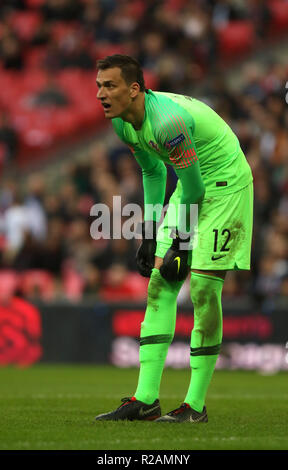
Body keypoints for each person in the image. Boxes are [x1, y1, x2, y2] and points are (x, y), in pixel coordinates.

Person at [94, 55, 253, 423]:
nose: (101, 94)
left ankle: (194, 406)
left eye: (110, 86)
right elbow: (152, 172)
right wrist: (149, 234)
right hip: (191, 183)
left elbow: (196, 188)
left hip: (225, 187)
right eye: (99, 86)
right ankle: (145, 400)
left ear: (134, 89)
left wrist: (180, 244)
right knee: (159, 284)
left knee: (202, 289)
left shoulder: (166, 121)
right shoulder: (123, 124)